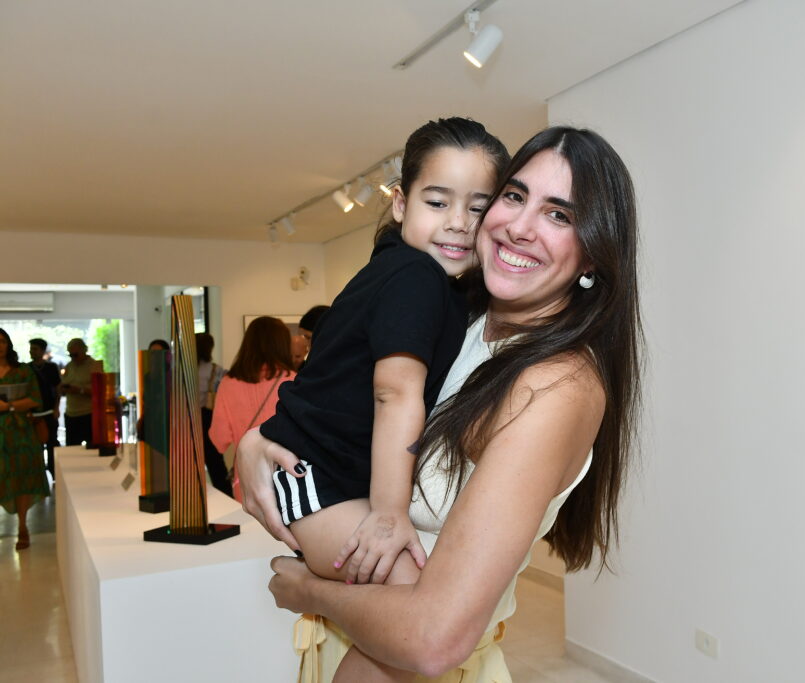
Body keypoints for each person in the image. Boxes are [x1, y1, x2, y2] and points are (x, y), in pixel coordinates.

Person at [237, 126, 640, 682]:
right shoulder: (462, 316)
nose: (519, 227)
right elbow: (343, 385)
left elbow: (433, 640)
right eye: (515, 196)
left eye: (558, 214)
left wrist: (309, 590)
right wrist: (257, 440)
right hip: (346, 643)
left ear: (594, 255)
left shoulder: (555, 385)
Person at [209, 317, 296, 501]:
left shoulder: (228, 383)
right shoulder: (295, 381)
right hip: (289, 477)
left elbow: (219, 439)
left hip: (246, 478)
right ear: (283, 344)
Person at [0, 328, 49, 550]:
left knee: (22, 478)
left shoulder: (23, 370)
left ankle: (22, 526)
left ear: (8, 344)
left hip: (20, 432)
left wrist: (9, 406)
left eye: (2, 341)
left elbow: (36, 399)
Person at [195, 332, 231, 497]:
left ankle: (194, 495)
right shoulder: (217, 370)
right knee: (216, 462)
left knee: (191, 461)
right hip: (209, 417)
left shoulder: (183, 370)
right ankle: (225, 496)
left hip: (189, 419)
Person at [27, 338, 61, 476]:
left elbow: (58, 389)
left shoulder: (51, 367)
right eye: (31, 349)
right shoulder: (27, 368)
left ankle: (55, 473)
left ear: (42, 351)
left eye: (35, 349)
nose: (32, 352)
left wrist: (56, 408)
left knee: (52, 443)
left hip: (49, 411)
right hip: (33, 413)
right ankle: (38, 474)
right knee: (36, 446)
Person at [60, 338, 102, 447]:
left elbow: (100, 392)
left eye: (75, 354)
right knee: (71, 448)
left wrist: (80, 390)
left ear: (84, 350)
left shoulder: (94, 366)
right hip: (71, 414)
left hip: (88, 414)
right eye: (70, 355)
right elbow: (63, 383)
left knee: (92, 449)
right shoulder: (69, 366)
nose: (73, 358)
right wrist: (63, 389)